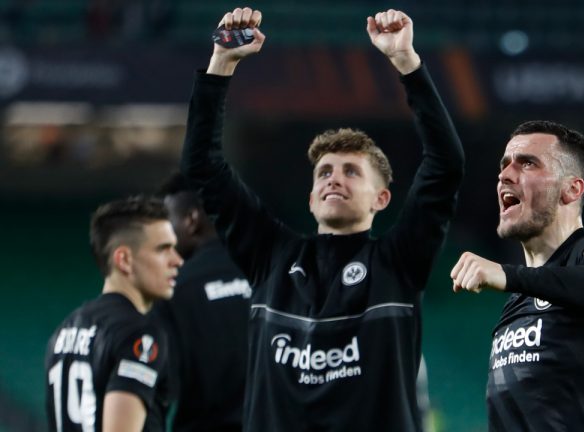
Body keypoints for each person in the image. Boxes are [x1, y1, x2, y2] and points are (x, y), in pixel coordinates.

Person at [180, 6, 464, 431]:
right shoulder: (270, 256)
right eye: (325, 173)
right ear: (312, 198)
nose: (335, 179)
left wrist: (406, 62)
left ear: (381, 198)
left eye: (352, 171)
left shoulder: (398, 263)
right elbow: (202, 165)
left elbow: (445, 164)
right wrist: (222, 62)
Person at [450, 120, 584, 431]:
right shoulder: (515, 306)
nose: (505, 175)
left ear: (571, 189)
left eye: (527, 163)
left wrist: (509, 275)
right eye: (505, 165)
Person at [44, 196, 183, 431]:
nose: (177, 260)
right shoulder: (140, 333)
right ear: (124, 260)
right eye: (163, 249)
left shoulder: (64, 331)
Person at [150, 172, 250, 432]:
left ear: (191, 220)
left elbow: (156, 389)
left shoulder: (171, 289)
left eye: (166, 223)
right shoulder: (274, 273)